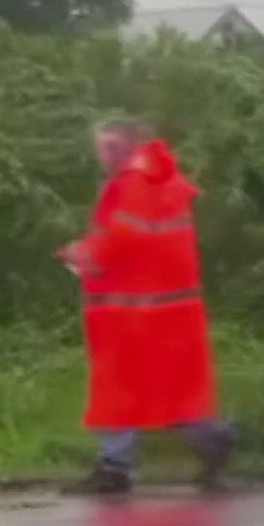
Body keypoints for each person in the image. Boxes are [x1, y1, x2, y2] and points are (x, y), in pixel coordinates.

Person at [59, 119, 232, 495]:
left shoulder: (132, 184)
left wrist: (81, 254)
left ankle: (115, 467)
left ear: (126, 146)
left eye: (108, 147)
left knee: (118, 390)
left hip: (129, 313)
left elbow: (122, 242)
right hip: (169, 311)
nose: (103, 156)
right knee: (176, 389)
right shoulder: (164, 181)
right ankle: (213, 440)